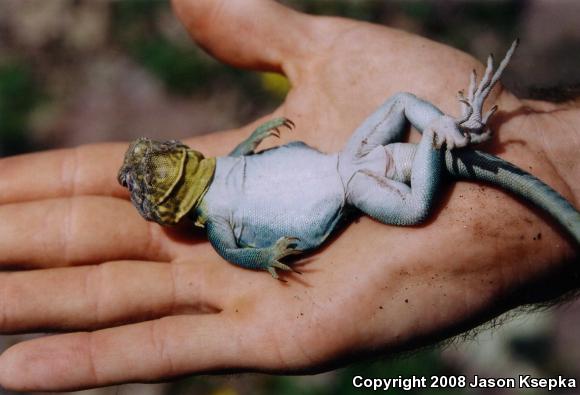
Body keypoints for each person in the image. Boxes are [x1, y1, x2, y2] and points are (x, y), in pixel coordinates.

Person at [0, 0, 578, 391]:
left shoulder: (220, 213)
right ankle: (445, 135)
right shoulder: (222, 195)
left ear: (167, 207)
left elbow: (243, 245)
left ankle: (448, 136)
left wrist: (266, 255)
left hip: (353, 168)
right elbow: (243, 233)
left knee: (417, 197)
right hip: (353, 172)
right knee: (405, 117)